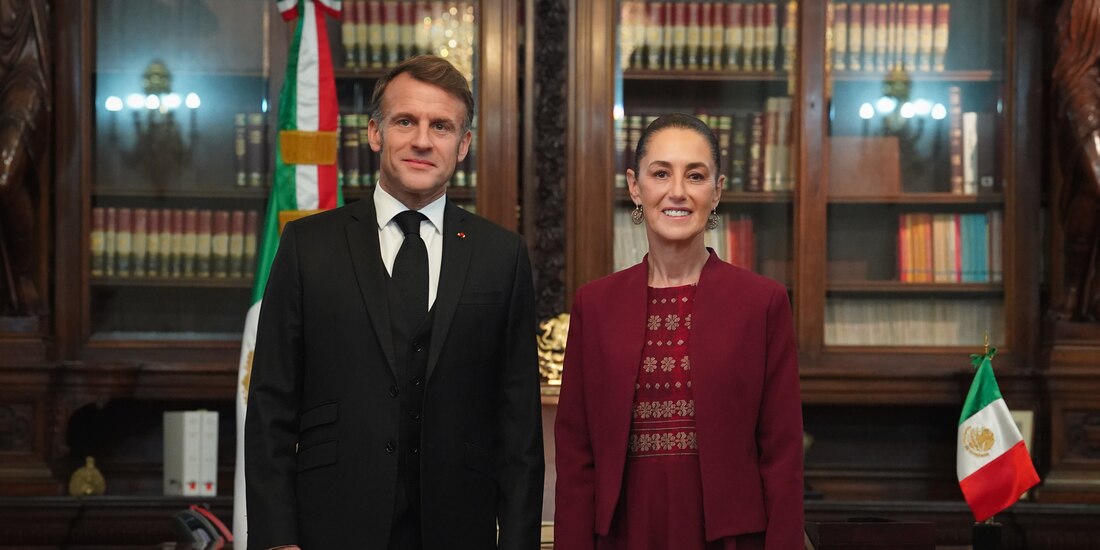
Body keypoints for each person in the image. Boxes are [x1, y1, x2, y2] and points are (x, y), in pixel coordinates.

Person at [245, 55, 544, 550]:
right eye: (406, 121)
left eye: (441, 126)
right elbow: (270, 408)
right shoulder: (307, 246)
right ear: (375, 133)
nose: (423, 140)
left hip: (458, 528)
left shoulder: (502, 256)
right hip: (331, 527)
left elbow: (519, 430)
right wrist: (278, 539)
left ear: (463, 144)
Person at [554, 113, 804, 550]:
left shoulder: (762, 303)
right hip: (622, 531)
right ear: (635, 186)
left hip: (729, 536)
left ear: (717, 190)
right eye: (661, 173)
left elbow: (782, 454)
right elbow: (576, 454)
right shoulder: (594, 305)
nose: (678, 192)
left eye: (696, 176)